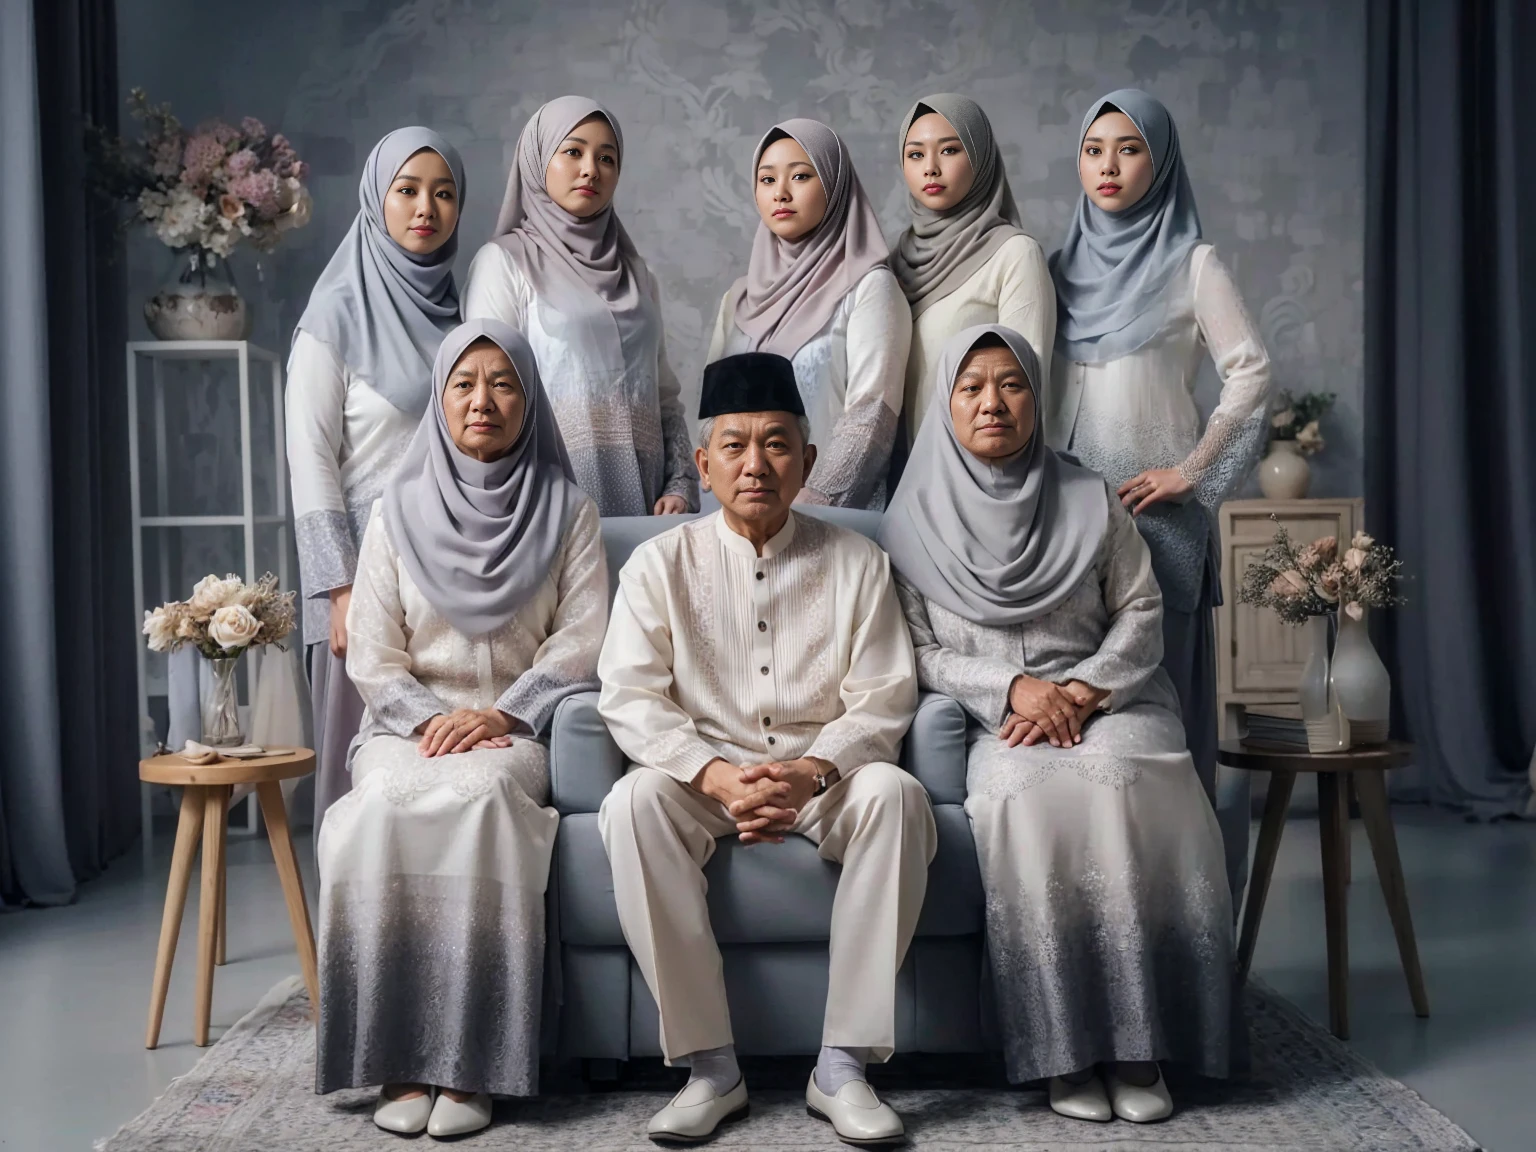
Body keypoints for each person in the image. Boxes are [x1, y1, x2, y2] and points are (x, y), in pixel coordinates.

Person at [881, 324, 1235, 1124]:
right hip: (1002, 724)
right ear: (946, 402)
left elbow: (1142, 610)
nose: (992, 404)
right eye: (971, 387)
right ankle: (1065, 1048)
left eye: (1012, 385)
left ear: (1038, 401)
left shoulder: (1088, 497)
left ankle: (1143, 1045)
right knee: (1026, 802)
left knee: (1141, 783)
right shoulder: (911, 521)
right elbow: (919, 651)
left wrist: (1082, 689)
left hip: (1110, 704)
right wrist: (1013, 688)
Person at [597, 352, 934, 1145]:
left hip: (823, 775)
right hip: (701, 774)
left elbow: (885, 694)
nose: (757, 464)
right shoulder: (658, 564)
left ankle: (843, 1067)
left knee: (898, 796)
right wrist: (714, 774)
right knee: (633, 803)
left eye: (778, 444)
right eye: (736, 446)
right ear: (705, 465)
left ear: (808, 462)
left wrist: (812, 772)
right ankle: (712, 1069)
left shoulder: (858, 561)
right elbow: (629, 695)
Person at [315, 318, 607, 1139]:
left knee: (481, 802)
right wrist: (432, 718)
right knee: (378, 808)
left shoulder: (568, 510)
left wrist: (501, 714)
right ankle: (398, 1059)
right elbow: (372, 655)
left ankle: (470, 1064)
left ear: (529, 399)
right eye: (464, 384)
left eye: (504, 383)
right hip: (407, 729)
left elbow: (583, 640)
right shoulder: (392, 515)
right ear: (440, 399)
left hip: (513, 730)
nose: (483, 401)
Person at [1047, 89, 1273, 901]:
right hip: (1068, 531)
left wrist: (1195, 470)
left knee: (1163, 729)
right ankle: (1094, 917)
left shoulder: (1192, 263)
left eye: (1130, 149)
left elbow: (1251, 374)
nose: (1108, 166)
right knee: (1080, 728)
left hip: (1157, 525)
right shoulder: (1053, 269)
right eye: (1094, 149)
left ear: (1162, 161)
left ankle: (1184, 925)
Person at [287, 126, 465, 830]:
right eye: (408, 190)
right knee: (364, 787)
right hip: (361, 582)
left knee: (450, 769)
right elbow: (310, 458)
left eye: (444, 193)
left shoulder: (462, 317)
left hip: (454, 582)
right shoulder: (331, 320)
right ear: (376, 201)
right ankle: (359, 931)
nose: (426, 208)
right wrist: (339, 589)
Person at [464, 95, 697, 517]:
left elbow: (665, 396)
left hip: (651, 510)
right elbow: (487, 402)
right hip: (548, 507)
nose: (591, 168)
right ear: (537, 160)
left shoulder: (637, 274)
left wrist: (681, 482)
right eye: (573, 151)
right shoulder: (503, 264)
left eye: (607, 158)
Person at [704, 119, 910, 509]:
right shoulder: (739, 298)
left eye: (800, 176)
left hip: (829, 516)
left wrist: (811, 505)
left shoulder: (871, 288)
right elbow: (712, 417)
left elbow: (873, 413)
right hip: (736, 515)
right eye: (767, 180)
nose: (780, 193)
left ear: (834, 185)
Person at [892, 93, 1055, 450]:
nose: (930, 167)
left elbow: (1029, 392)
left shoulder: (1015, 255)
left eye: (949, 150)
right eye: (915, 154)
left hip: (979, 476)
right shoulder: (895, 262)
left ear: (980, 157)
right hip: (903, 478)